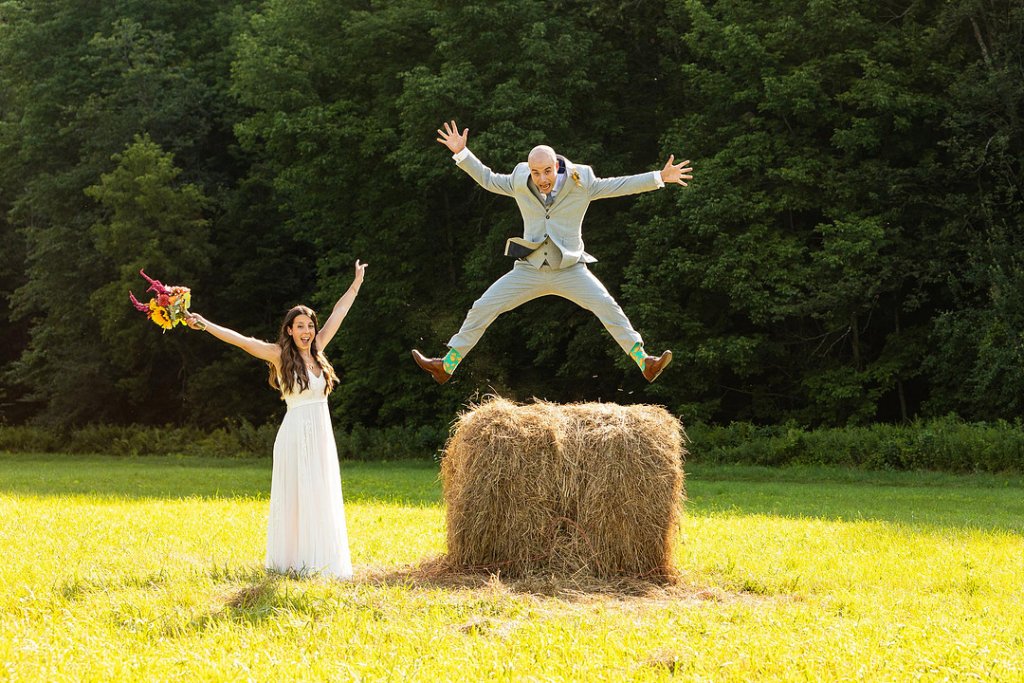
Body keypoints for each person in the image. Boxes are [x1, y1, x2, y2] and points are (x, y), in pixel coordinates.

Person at [412, 120, 693, 385]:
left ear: (557, 166)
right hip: (529, 269)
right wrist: (462, 153)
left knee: (607, 306)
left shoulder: (581, 180)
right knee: (483, 307)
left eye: (547, 171)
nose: (542, 178)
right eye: (536, 173)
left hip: (570, 269)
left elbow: (619, 186)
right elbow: (488, 179)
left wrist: (660, 177)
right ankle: (446, 366)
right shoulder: (520, 180)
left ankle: (645, 362)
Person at [186, 260, 367, 579]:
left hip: (321, 435)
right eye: (300, 326)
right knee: (298, 497)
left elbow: (339, 313)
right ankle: (294, 563)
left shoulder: (319, 351)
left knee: (320, 494)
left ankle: (321, 561)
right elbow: (242, 341)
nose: (307, 331)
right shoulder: (280, 355)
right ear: (289, 330)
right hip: (295, 435)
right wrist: (205, 324)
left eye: (310, 326)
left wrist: (356, 283)